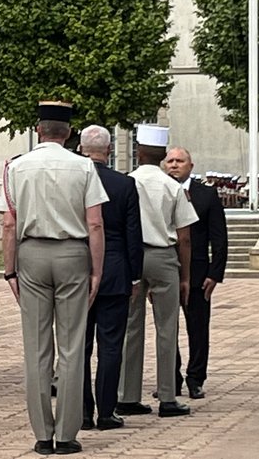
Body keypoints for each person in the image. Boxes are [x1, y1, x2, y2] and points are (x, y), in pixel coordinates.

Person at [0, 101, 106, 456]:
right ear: (69, 133)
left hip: (31, 253)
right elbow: (94, 223)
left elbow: (9, 223)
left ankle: (42, 432)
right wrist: (96, 269)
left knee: (36, 347)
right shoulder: (84, 166)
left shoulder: (16, 167)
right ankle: (66, 433)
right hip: (72, 252)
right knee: (72, 347)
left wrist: (10, 269)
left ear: (37, 129)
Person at [118, 124, 197, 419]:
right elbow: (185, 235)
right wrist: (186, 276)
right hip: (164, 256)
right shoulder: (172, 186)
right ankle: (167, 396)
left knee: (130, 325)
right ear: (164, 156)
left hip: (133, 256)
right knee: (167, 328)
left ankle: (127, 394)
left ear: (137, 152)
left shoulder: (127, 182)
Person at [76, 125, 143, 431]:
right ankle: (106, 411)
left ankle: (82, 412)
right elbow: (133, 234)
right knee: (111, 345)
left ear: (80, 148)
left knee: (78, 346)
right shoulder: (124, 184)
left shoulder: (74, 180)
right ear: (110, 150)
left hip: (78, 268)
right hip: (115, 270)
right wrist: (134, 275)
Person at [164, 147, 228, 401]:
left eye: (180, 161)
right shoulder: (159, 191)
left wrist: (216, 273)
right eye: (169, 161)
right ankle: (171, 379)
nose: (174, 165)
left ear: (191, 165)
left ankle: (195, 378)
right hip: (167, 268)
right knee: (167, 327)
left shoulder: (206, 194)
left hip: (200, 271)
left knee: (198, 328)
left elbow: (219, 236)